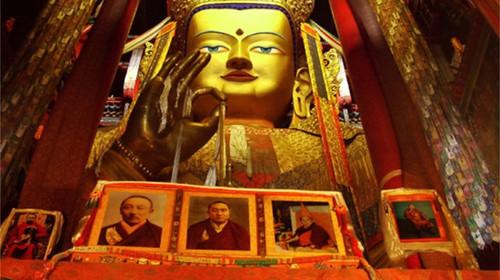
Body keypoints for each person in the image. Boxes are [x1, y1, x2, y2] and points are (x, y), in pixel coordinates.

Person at [95, 0, 343, 190]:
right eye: (213, 47)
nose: (239, 58)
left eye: (265, 47)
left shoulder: (347, 155)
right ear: (178, 73)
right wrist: (137, 159)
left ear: (301, 84)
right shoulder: (115, 147)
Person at [98, 195, 162, 247]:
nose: (133, 212)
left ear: (150, 211)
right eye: (127, 207)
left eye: (140, 208)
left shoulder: (159, 233)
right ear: (120, 210)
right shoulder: (102, 232)